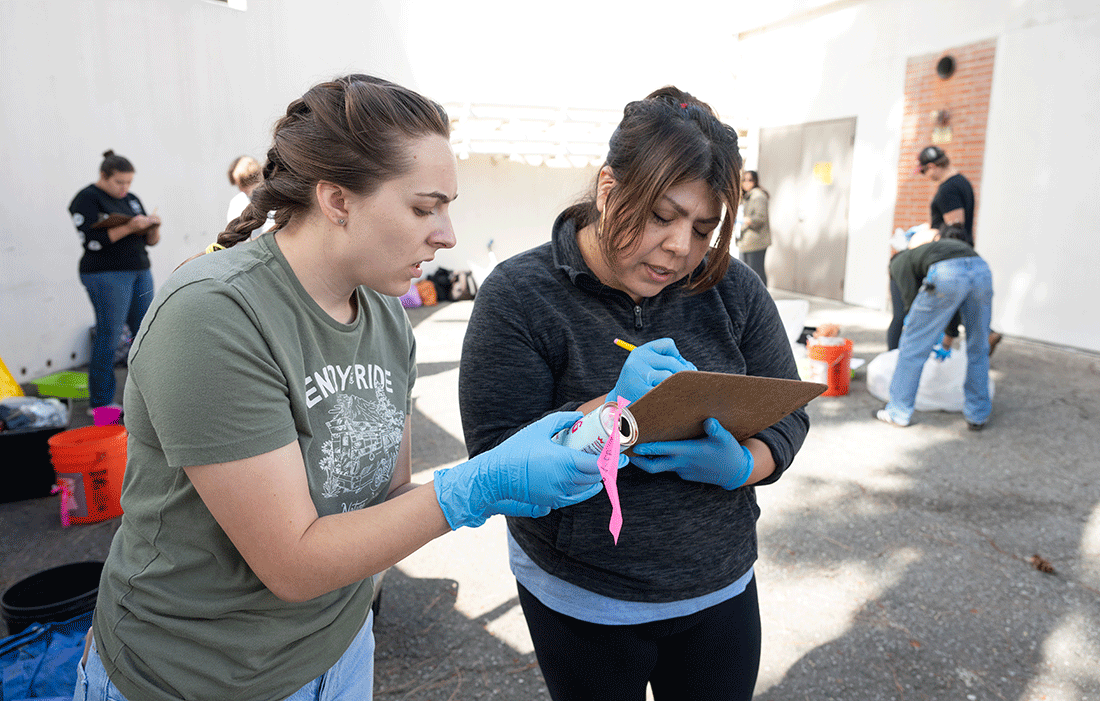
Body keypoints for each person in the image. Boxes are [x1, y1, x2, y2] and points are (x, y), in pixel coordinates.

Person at [75, 74, 614, 701]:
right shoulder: (212, 317)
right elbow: (294, 565)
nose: (447, 234)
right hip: (199, 678)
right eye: (423, 207)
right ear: (336, 200)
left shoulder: (384, 313)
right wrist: (483, 482)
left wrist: (564, 435)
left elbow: (386, 496)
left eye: (448, 207)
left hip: (343, 651)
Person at [459, 87, 809, 701]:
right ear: (608, 189)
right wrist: (603, 412)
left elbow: (788, 411)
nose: (681, 248)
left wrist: (744, 465)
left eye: (704, 227)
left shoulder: (732, 289)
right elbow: (495, 461)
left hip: (718, 587)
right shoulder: (520, 295)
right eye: (661, 216)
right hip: (582, 598)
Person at [68, 150, 162, 414]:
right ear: (103, 176)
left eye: (129, 182)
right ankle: (100, 402)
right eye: (119, 182)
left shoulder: (131, 200)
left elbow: (150, 241)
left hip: (139, 269)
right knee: (110, 334)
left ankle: (149, 395)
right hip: (105, 273)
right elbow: (92, 241)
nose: (125, 188)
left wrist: (153, 226)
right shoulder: (87, 198)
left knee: (145, 333)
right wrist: (130, 227)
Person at [874, 223, 993, 430]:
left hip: (947, 272)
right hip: (981, 269)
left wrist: (924, 330)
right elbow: (953, 305)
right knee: (978, 346)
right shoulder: (940, 250)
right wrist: (947, 338)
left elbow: (911, 307)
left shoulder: (899, 262)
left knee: (912, 346)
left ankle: (898, 412)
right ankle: (977, 415)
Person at [226, 154, 275, 237]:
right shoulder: (237, 203)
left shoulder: (276, 196)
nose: (241, 189)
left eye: (244, 184)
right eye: (238, 186)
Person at [738, 169, 770, 285]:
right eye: (744, 180)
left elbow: (761, 218)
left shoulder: (758, 196)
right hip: (745, 241)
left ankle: (762, 302)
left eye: (750, 180)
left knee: (756, 274)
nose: (746, 183)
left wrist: (746, 220)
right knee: (744, 273)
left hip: (756, 241)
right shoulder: (747, 196)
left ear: (755, 181)